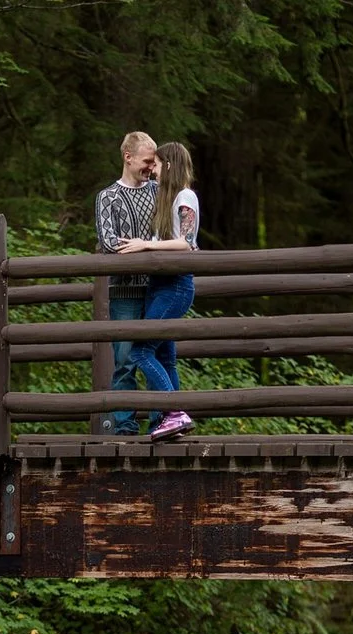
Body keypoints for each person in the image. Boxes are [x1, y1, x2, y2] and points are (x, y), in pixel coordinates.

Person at [116, 141, 202, 442]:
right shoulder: (166, 200)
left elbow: (187, 243)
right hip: (159, 286)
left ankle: (173, 412)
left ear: (170, 164)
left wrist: (146, 244)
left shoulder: (185, 195)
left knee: (140, 350)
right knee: (165, 357)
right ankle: (165, 424)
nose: (153, 168)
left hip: (175, 286)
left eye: (158, 163)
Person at [95, 131, 160, 435]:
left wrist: (143, 245)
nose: (151, 166)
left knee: (158, 356)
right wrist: (149, 245)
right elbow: (109, 243)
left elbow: (169, 235)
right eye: (147, 160)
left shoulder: (159, 193)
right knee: (124, 360)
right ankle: (125, 427)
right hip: (124, 291)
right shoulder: (107, 197)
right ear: (128, 157)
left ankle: (161, 421)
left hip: (160, 288)